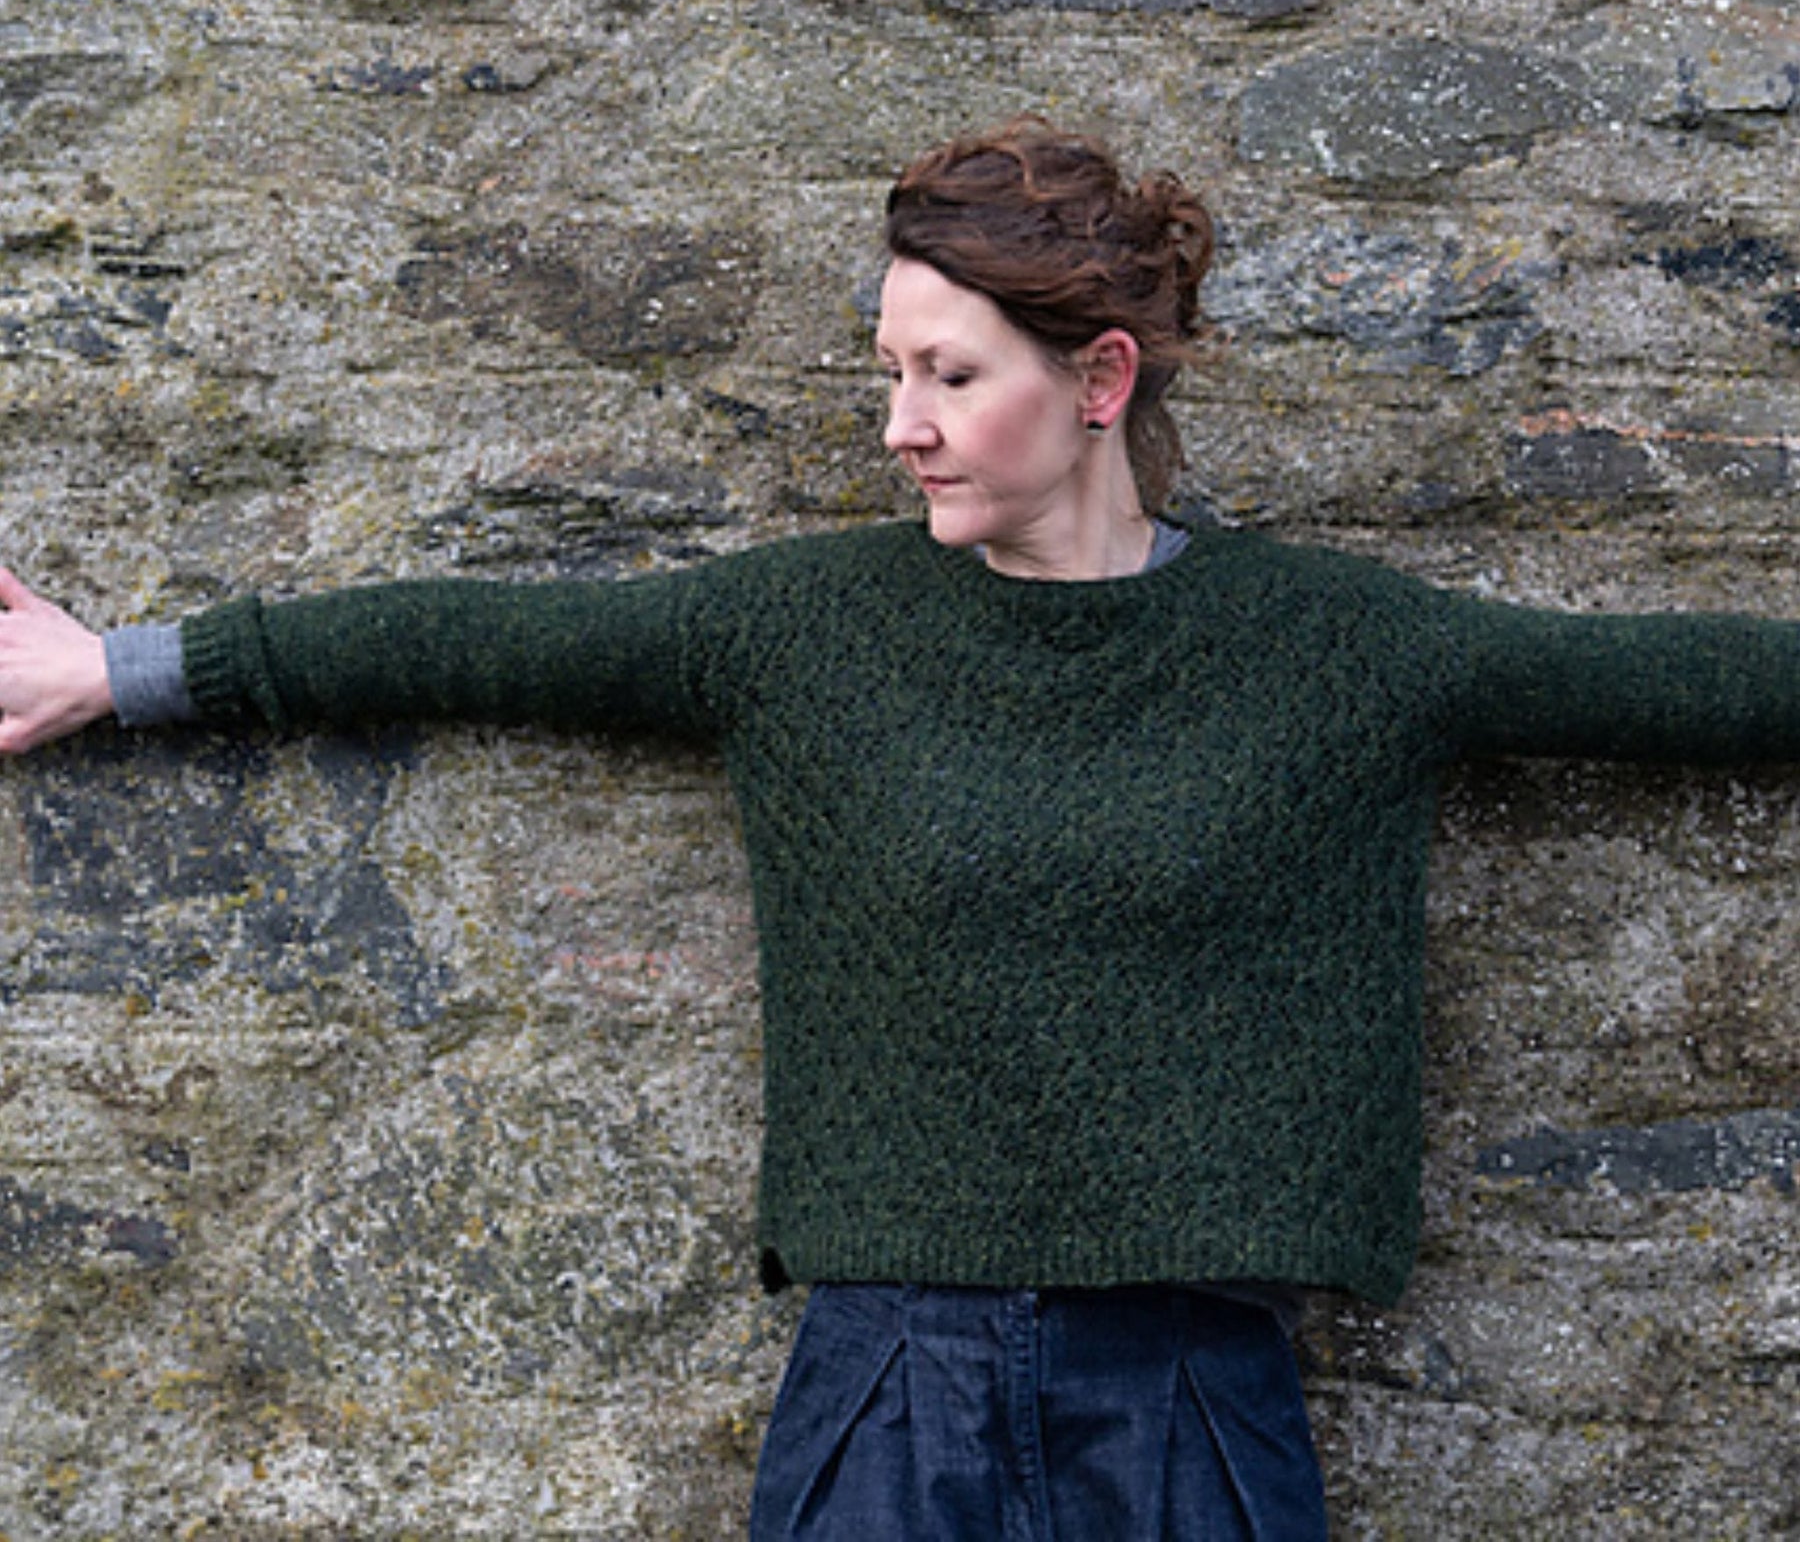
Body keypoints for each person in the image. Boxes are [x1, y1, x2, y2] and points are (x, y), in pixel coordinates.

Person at [5, 115, 1800, 1539]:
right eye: (892, 372)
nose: (900, 427)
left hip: (1190, 1402)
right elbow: (480, 640)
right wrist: (122, 668)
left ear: (1099, 380)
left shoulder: (1335, 648)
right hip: (884, 1393)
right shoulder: (803, 631)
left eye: (949, 376)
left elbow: (1674, 684)